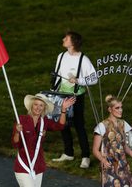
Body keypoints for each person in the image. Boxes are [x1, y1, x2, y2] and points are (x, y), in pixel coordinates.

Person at [51, 31, 98, 168]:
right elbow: (58, 75)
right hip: (61, 95)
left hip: (76, 96)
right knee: (63, 124)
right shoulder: (61, 56)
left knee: (78, 125)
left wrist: (79, 80)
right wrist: (54, 91)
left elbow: (94, 78)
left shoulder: (83, 59)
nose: (63, 39)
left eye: (66, 38)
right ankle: (68, 152)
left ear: (73, 42)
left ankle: (85, 156)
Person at [12, 93, 75, 187]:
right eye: (36, 104)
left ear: (44, 108)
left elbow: (60, 126)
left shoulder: (44, 121)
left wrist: (63, 110)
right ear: (31, 106)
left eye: (41, 105)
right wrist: (17, 132)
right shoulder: (21, 120)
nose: (38, 108)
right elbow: (15, 144)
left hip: (38, 165)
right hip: (23, 165)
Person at [93, 94, 132, 187]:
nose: (120, 110)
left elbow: (124, 145)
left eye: (121, 107)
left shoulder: (123, 124)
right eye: (117, 108)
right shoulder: (102, 126)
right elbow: (95, 150)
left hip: (123, 164)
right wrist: (103, 160)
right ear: (110, 109)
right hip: (109, 165)